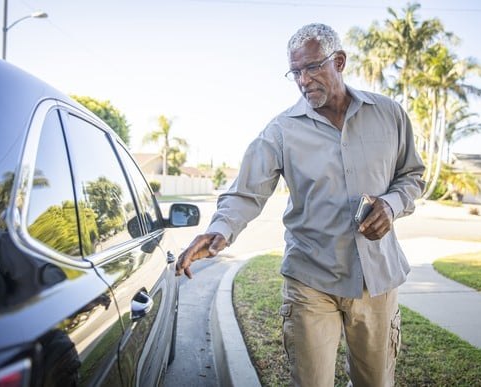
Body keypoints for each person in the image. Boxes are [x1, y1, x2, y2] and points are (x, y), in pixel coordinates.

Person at [176, 23, 425, 387]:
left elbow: (412, 175)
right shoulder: (280, 131)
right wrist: (219, 229)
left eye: (312, 68)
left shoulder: (389, 115)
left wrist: (390, 205)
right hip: (311, 280)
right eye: (296, 72)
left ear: (339, 61)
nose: (303, 80)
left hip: (378, 280)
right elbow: (246, 191)